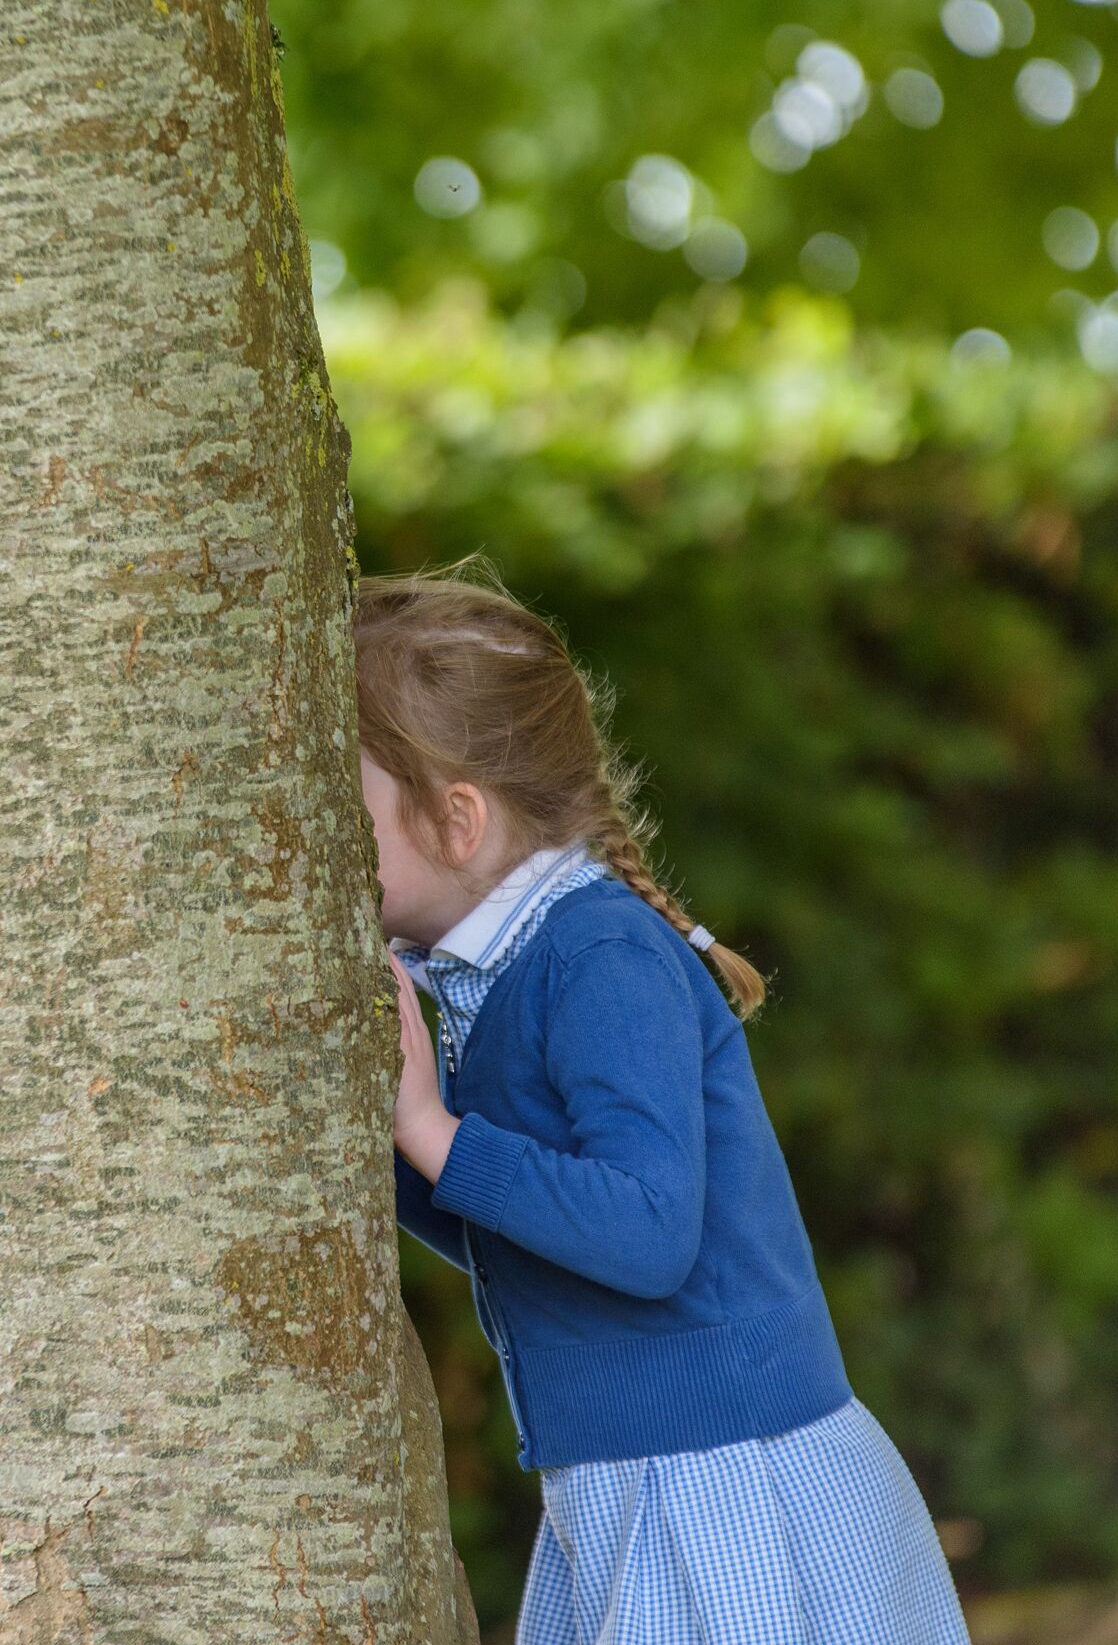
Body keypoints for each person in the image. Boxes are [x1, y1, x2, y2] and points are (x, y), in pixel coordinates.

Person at [357, 570, 967, 1645]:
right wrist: (396, 1145)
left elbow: (642, 1231)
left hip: (718, 1486)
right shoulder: (493, 969)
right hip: (631, 1480)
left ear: (457, 817)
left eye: (340, 811)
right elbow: (531, 1234)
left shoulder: (595, 955)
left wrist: (429, 1127)